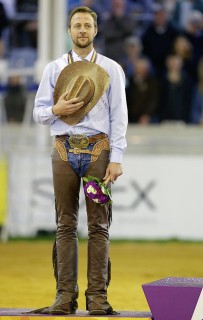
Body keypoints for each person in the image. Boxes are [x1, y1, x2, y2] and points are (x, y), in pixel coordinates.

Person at [32, 6, 128, 316]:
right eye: (77, 25)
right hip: (63, 150)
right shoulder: (53, 68)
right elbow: (39, 113)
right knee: (65, 225)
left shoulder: (112, 69)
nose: (82, 30)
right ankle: (65, 297)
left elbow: (119, 117)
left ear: (95, 30)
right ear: (69, 31)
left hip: (99, 151)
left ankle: (96, 298)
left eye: (87, 25)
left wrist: (117, 157)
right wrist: (55, 110)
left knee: (98, 225)